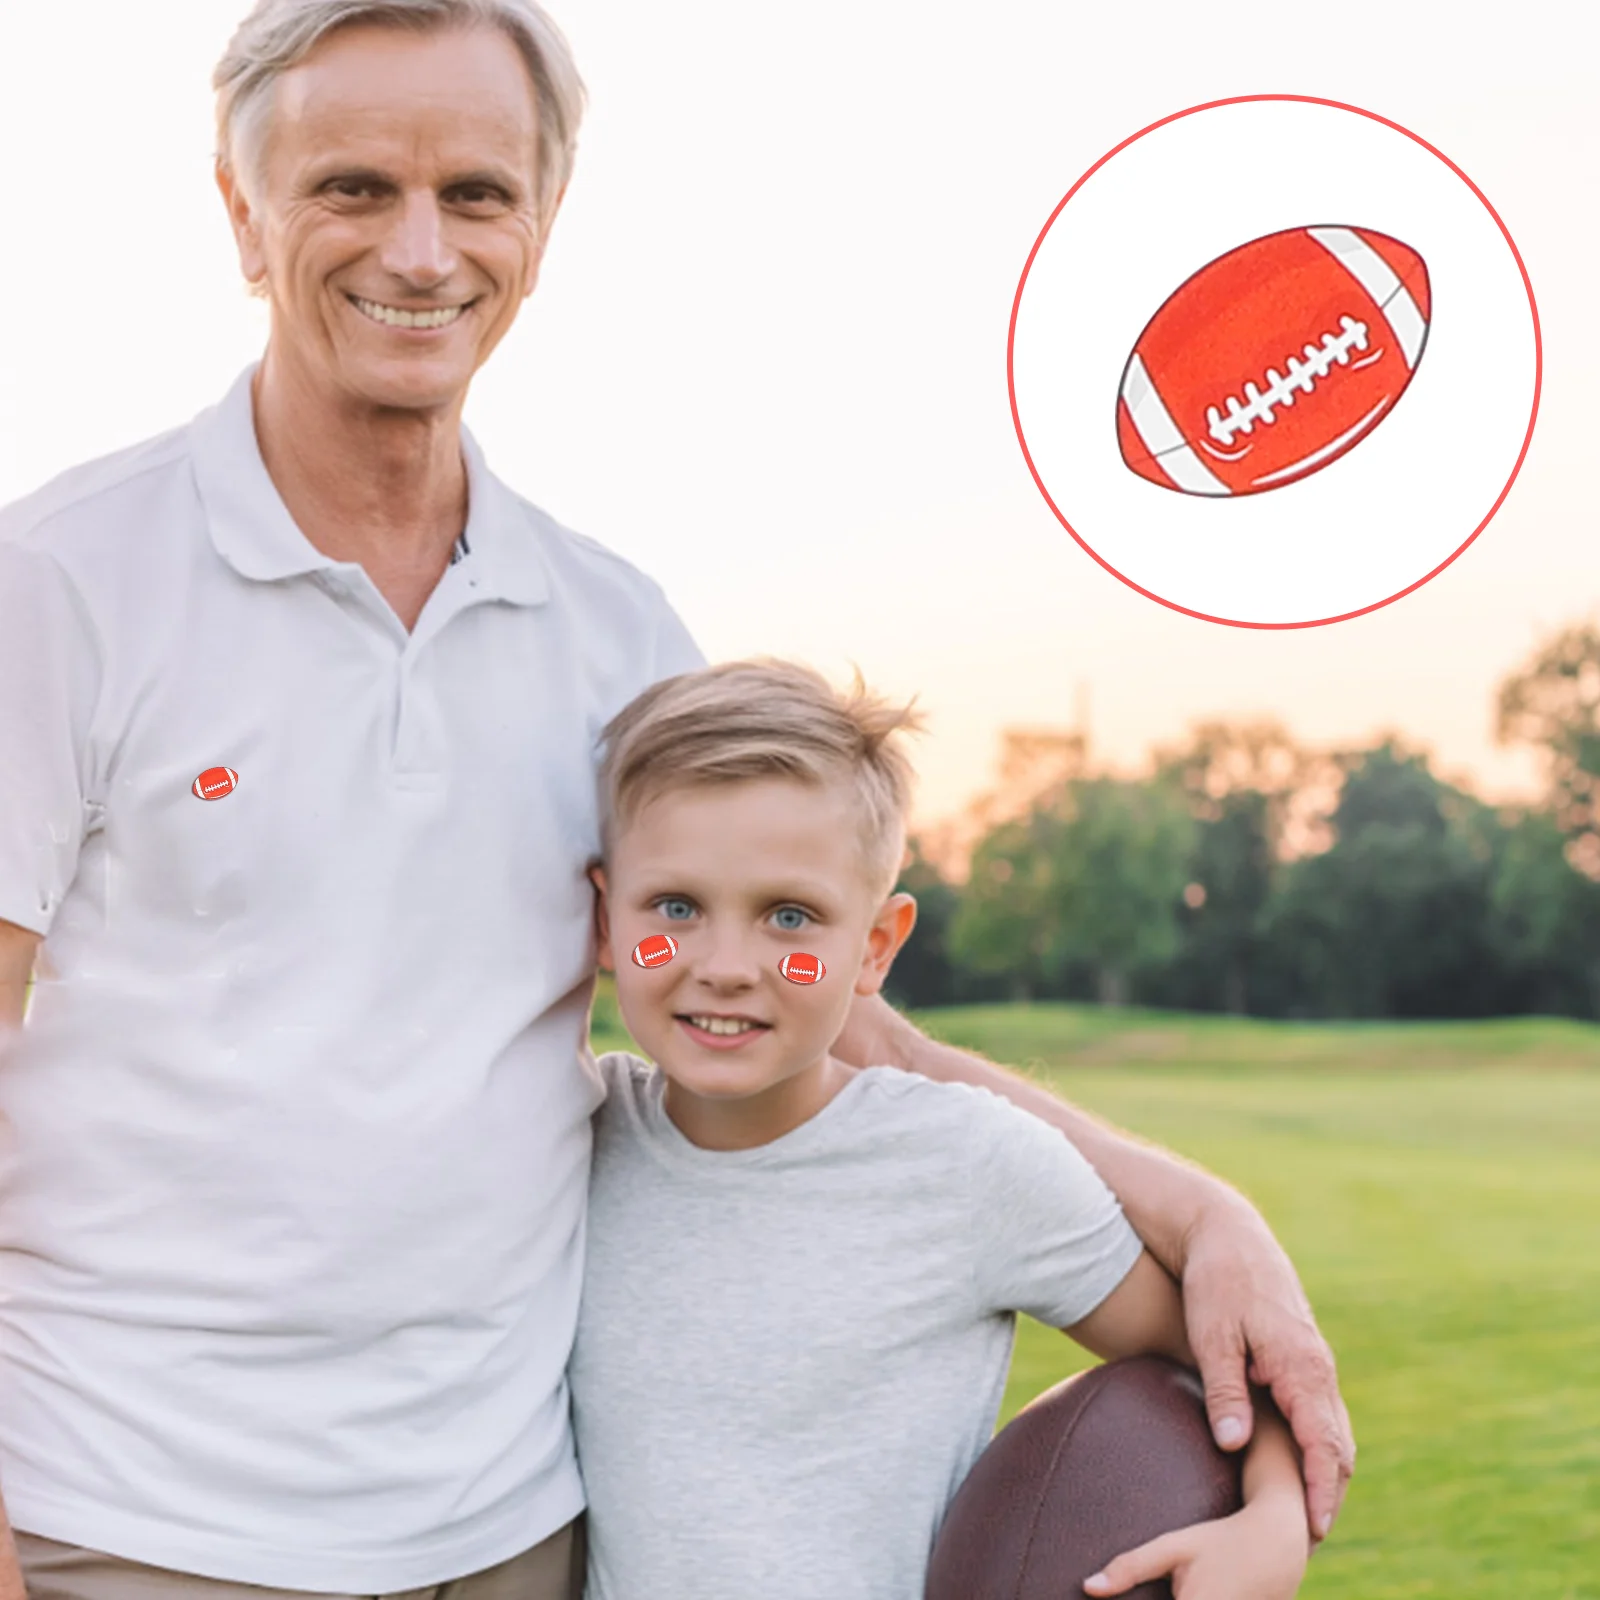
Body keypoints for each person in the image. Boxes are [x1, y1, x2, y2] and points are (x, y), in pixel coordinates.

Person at [0, 2, 1350, 1597]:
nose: (420, 251)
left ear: (543, 225)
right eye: (352, 188)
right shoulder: (61, 583)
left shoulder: (614, 634)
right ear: (243, 212)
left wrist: (1199, 1210)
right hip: (139, 1524)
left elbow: (824, 1009)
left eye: (479, 193)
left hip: (513, 1530)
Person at [576, 657, 1314, 1600]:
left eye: (789, 918)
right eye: (674, 909)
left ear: (875, 947)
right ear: (606, 920)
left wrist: (1274, 1520)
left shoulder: (968, 1163)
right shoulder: (577, 1141)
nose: (726, 965)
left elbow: (1225, 1364)